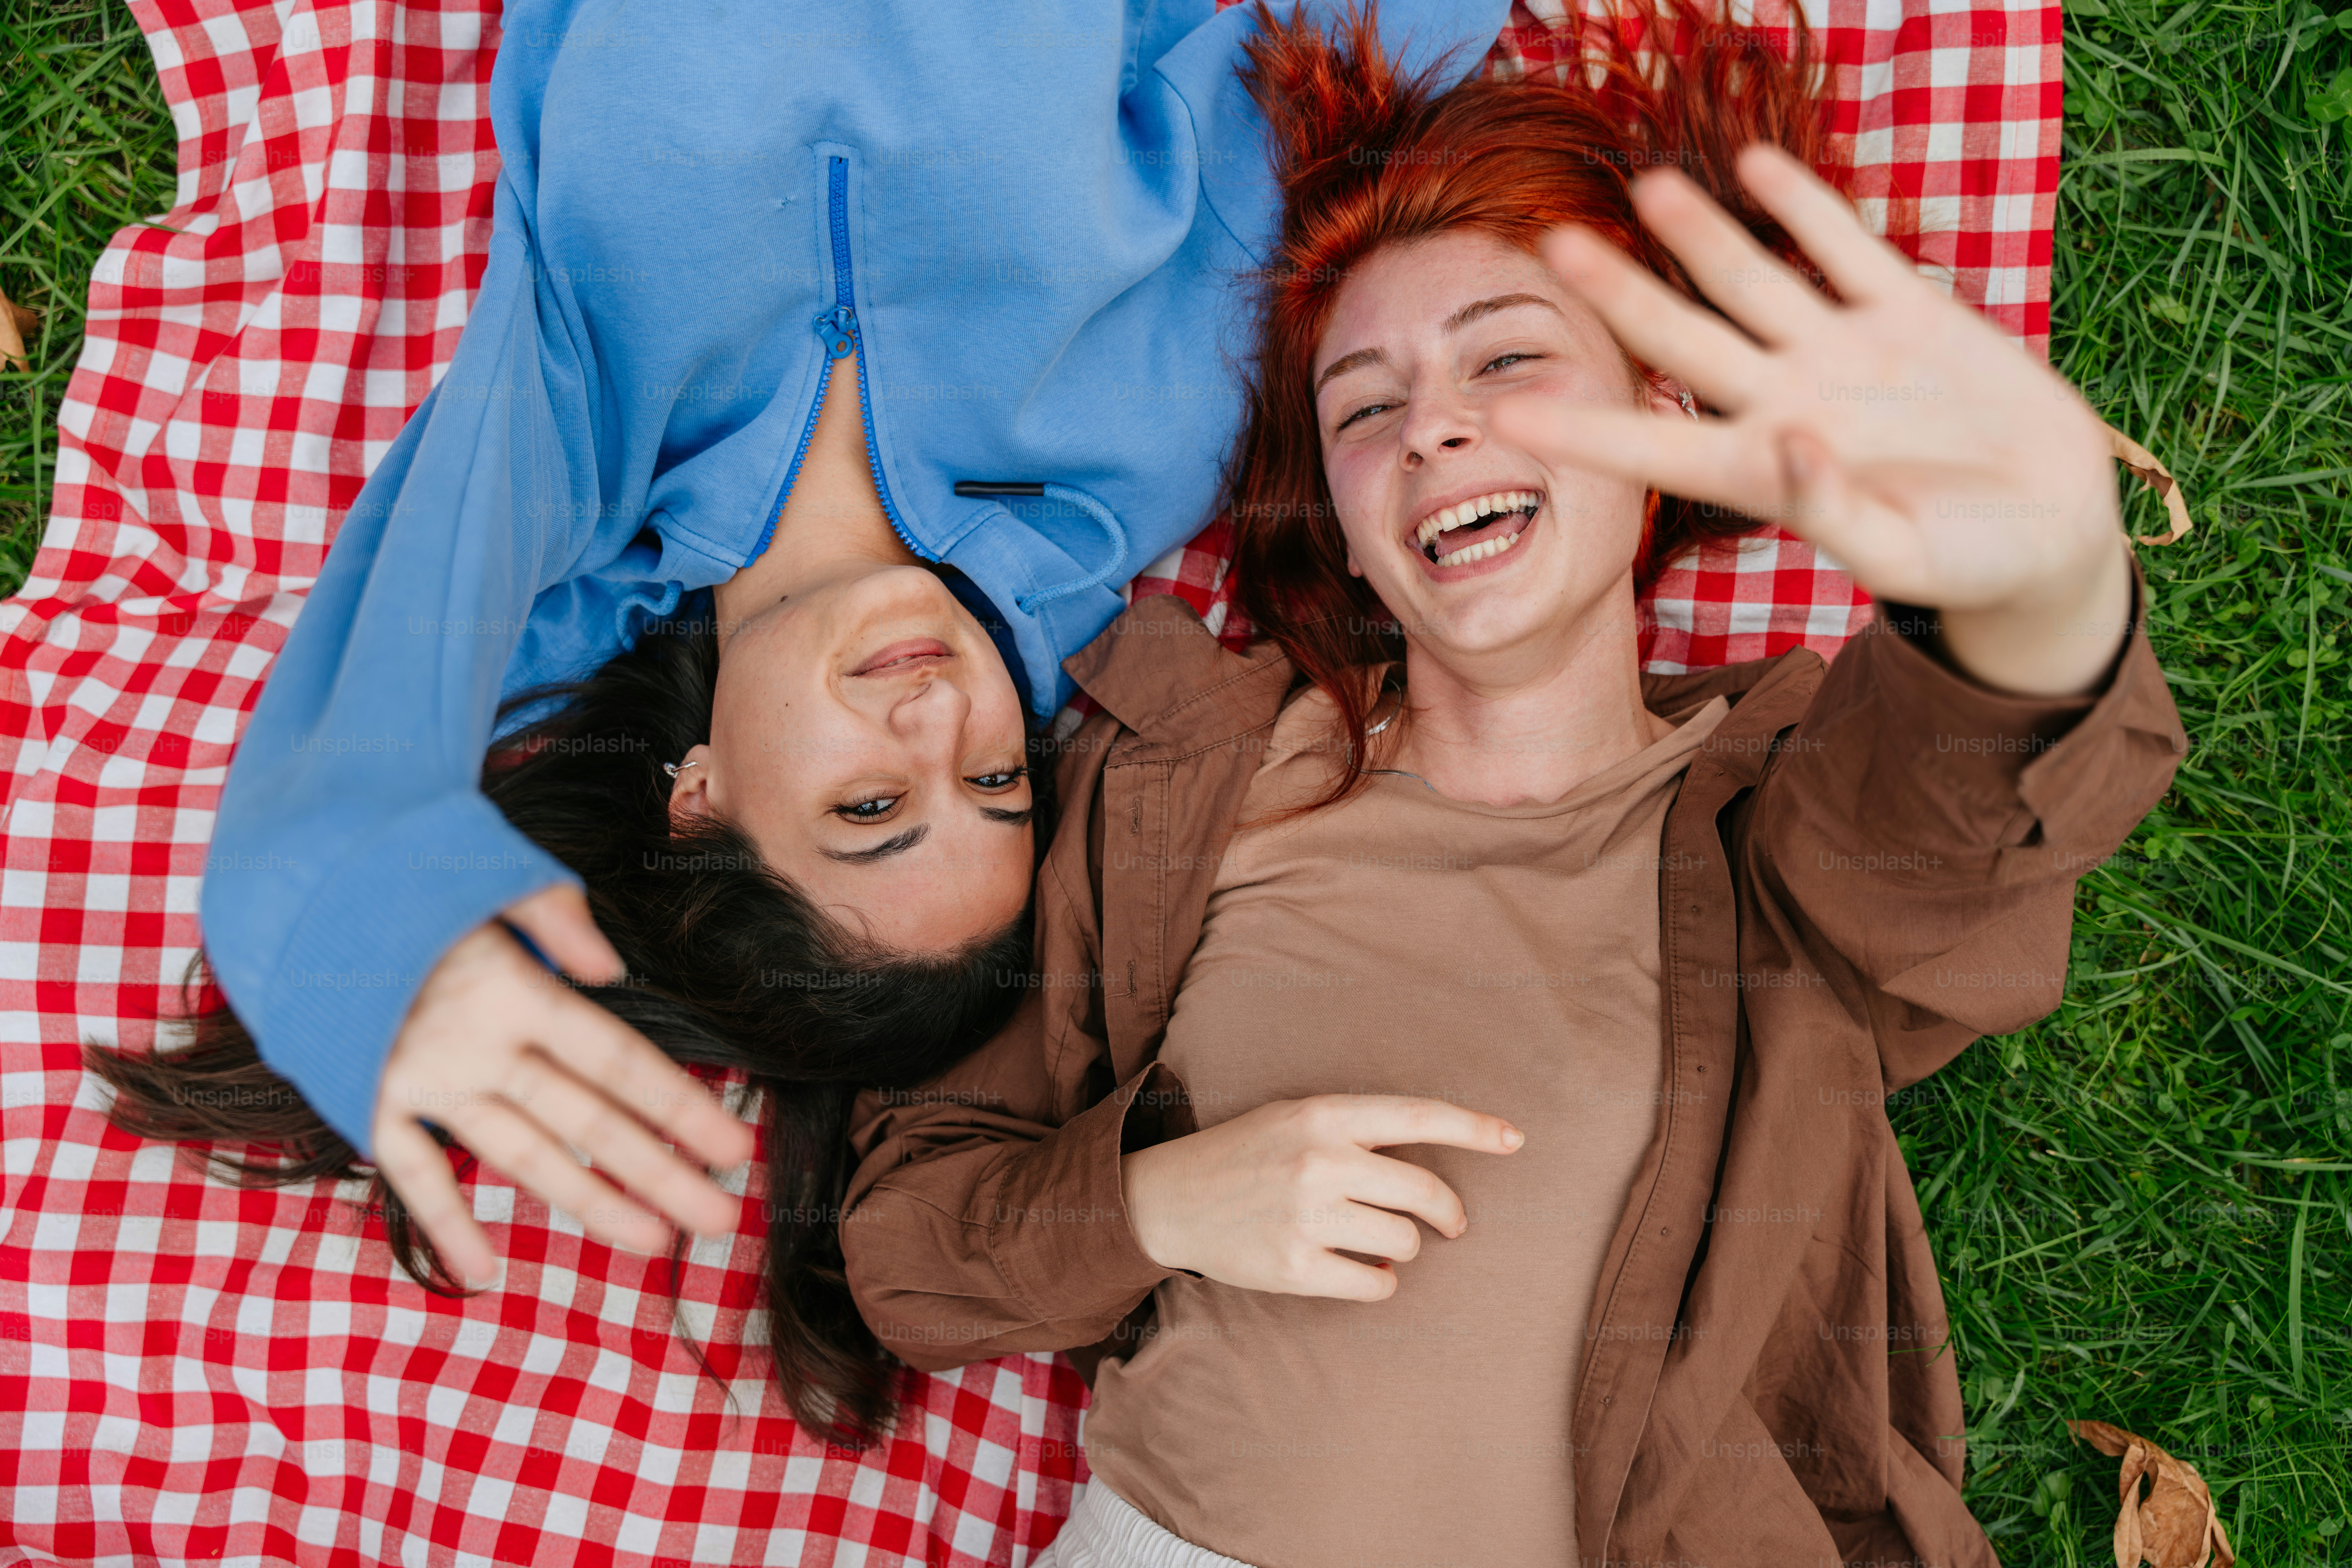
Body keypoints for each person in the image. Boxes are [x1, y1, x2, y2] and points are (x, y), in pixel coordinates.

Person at [838, 1, 2188, 1561]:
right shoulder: (1184, 778)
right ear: (1341, 521)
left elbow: (1961, 817)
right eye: (1367, 406)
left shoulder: (1775, 822)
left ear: (1661, 419)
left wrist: (2028, 585)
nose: (1438, 429)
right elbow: (906, 1247)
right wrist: (1157, 1202)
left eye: (1508, 358)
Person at [92, 0, 1520, 1439]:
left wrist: (361, 937)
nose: (939, 717)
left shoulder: (580, 463)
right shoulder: (1124, 467)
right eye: (993, 779)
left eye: (871, 807)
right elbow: (1322, 64)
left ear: (695, 795)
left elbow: (379, 688)